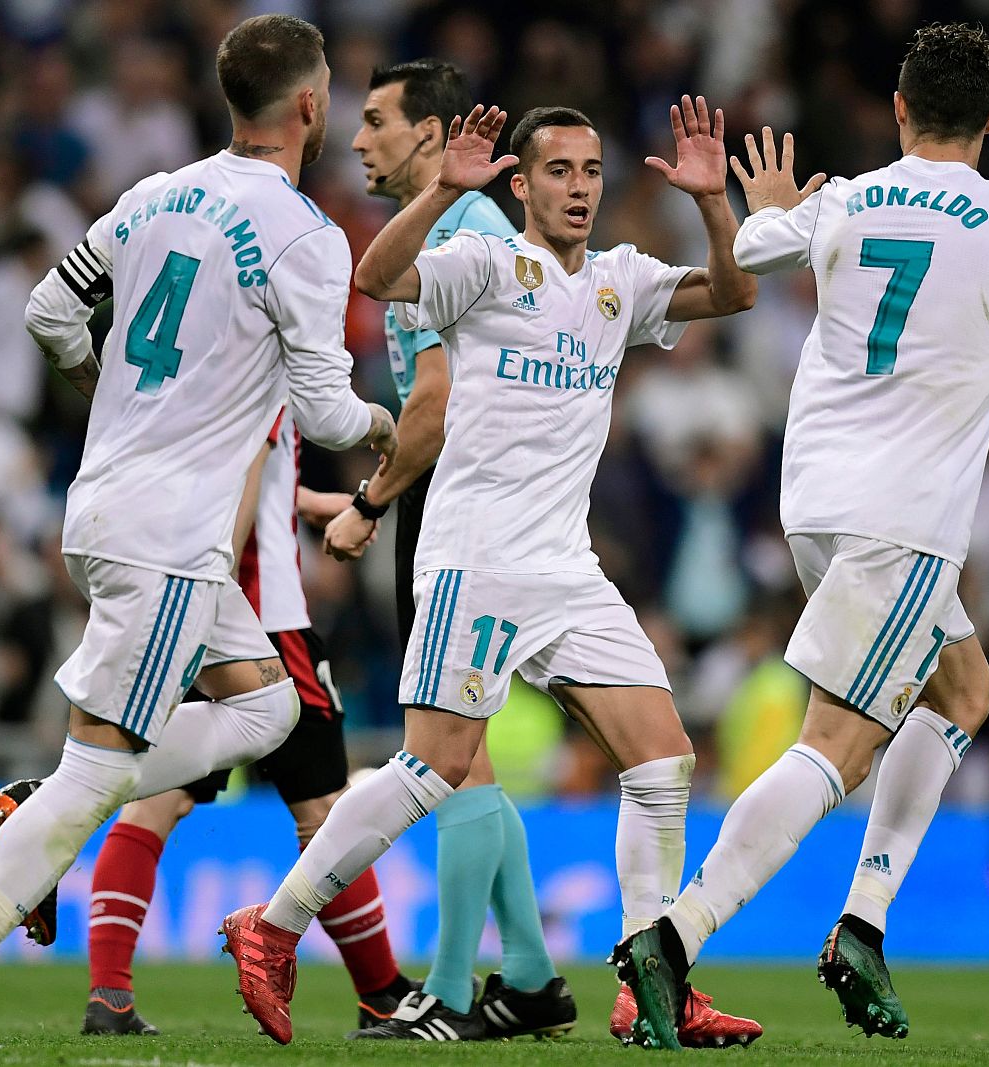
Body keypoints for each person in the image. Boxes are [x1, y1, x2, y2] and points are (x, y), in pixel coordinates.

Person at [615, 23, 989, 1048]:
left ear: (897, 109)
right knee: (834, 745)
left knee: (962, 687)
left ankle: (863, 924)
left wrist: (752, 204)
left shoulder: (848, 196)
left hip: (814, 502)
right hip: (900, 519)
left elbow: (751, 247)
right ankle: (675, 931)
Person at [0, 14, 396, 1048]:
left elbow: (47, 309)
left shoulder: (154, 193)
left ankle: (38, 798)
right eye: (329, 86)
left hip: (120, 505)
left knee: (268, 713)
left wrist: (101, 388)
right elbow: (334, 416)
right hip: (167, 532)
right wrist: (394, 425)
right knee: (99, 767)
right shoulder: (305, 233)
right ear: (308, 104)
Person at [224, 98, 762, 1048]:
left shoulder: (620, 281)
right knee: (434, 769)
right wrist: (441, 189)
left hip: (566, 567)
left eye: (592, 171)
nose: (580, 188)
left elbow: (733, 294)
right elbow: (377, 275)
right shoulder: (485, 265)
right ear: (521, 183)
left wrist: (716, 204)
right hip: (476, 558)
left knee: (665, 761)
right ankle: (270, 927)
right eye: (559, 171)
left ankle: (652, 983)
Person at [324, 58, 571, 1042]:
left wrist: (368, 502)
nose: (357, 139)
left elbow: (435, 405)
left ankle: (453, 989)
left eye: (377, 120)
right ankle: (533, 975)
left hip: (458, 503)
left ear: (431, 137)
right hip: (504, 499)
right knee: (462, 751)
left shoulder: (447, 239)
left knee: (443, 750)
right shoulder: (483, 233)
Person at [76, 409, 414, 1036]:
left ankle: (109, 996)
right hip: (262, 624)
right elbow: (242, 472)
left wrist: (301, 501)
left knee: (154, 802)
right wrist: (218, 587)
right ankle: (382, 992)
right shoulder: (263, 342)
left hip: (184, 604)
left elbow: (234, 468)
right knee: (325, 813)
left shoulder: (209, 346)